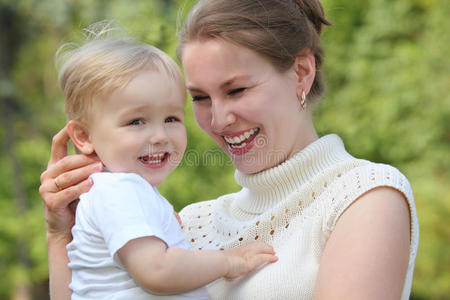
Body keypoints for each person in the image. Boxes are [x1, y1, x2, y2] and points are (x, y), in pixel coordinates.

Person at [40, 0, 419, 299]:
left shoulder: (364, 195)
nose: (218, 120)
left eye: (236, 90)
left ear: (301, 73)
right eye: (200, 98)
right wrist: (61, 235)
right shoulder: (191, 222)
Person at [51, 29, 278, 299]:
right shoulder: (120, 190)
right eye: (136, 121)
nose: (160, 136)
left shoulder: (123, 193)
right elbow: (156, 270)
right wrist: (228, 261)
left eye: (171, 119)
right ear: (84, 136)